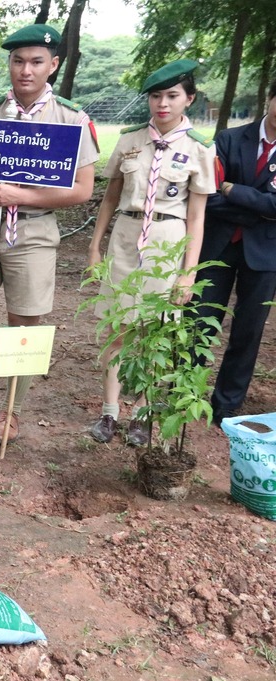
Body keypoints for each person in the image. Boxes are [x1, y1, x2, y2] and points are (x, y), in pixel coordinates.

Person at [0, 24, 99, 444]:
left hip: (32, 234)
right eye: (17, 61)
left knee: (21, 328)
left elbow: (83, 190)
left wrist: (21, 195)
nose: (25, 70)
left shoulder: (70, 120)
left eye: (35, 62)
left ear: (54, 65)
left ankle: (10, 414)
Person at [87, 59, 215, 444]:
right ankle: (109, 412)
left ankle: (142, 413)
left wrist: (188, 273)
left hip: (167, 240)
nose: (163, 103)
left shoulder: (199, 148)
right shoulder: (130, 140)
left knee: (153, 331)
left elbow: (197, 217)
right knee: (117, 328)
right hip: (126, 236)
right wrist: (95, 246)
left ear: (188, 99)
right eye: (156, 96)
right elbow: (110, 199)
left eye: (172, 95)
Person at [192, 78, 276, 426]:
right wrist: (259, 207)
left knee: (248, 330)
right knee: (199, 320)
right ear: (270, 98)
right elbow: (208, 195)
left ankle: (226, 404)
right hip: (218, 244)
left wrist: (233, 190)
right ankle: (186, 393)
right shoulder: (228, 138)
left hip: (266, 253)